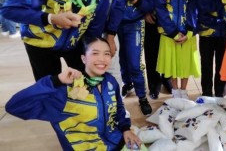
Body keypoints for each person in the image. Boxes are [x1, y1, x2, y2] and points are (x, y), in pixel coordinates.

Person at [5, 37, 141, 150]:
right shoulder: (65, 91)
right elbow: (14, 106)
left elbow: (119, 109)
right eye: (95, 53)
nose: (102, 59)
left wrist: (125, 129)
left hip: (115, 141)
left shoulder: (110, 81)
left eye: (106, 54)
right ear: (83, 59)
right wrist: (55, 81)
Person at [117, 0, 154, 116]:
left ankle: (142, 97)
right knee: (121, 59)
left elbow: (149, 5)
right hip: (113, 24)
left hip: (134, 23)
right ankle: (127, 83)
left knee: (135, 62)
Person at [192, 0, 226, 97]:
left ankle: (220, 93)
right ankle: (206, 93)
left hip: (224, 29)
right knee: (206, 63)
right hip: (206, 29)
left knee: (222, 64)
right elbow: (204, 6)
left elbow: (223, 3)